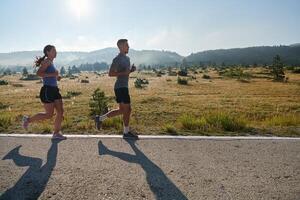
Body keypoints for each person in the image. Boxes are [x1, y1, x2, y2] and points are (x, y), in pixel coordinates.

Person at [95, 39, 138, 139]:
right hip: (120, 87)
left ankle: (100, 118)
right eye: (127, 45)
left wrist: (131, 70)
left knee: (123, 110)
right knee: (127, 109)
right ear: (121, 47)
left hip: (123, 86)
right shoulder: (117, 59)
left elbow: (126, 73)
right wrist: (124, 73)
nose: (129, 47)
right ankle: (126, 133)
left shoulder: (127, 59)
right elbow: (110, 73)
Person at [22, 45, 66, 140]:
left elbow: (49, 75)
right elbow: (39, 73)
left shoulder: (51, 62)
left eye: (55, 50)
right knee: (49, 115)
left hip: (55, 90)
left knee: (60, 111)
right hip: (47, 90)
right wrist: (53, 74)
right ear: (48, 52)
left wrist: (56, 77)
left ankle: (56, 133)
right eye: (54, 50)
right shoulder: (46, 61)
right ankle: (28, 120)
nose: (56, 52)